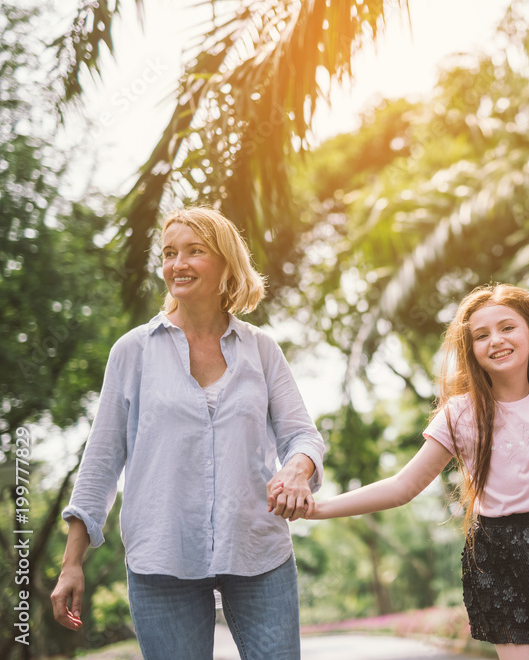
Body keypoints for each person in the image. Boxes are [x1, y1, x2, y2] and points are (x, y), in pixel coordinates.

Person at [271, 279, 529, 660]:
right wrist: (318, 509)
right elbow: (403, 486)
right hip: (499, 554)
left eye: (507, 328)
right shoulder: (460, 414)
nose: (496, 340)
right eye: (482, 335)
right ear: (472, 350)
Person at [50, 207, 326, 660]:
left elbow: (303, 436)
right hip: (161, 556)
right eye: (169, 253)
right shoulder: (133, 352)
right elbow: (101, 462)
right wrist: (71, 563)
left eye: (194, 251)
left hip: (257, 549)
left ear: (226, 264)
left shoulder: (262, 349)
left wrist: (298, 469)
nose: (177, 264)